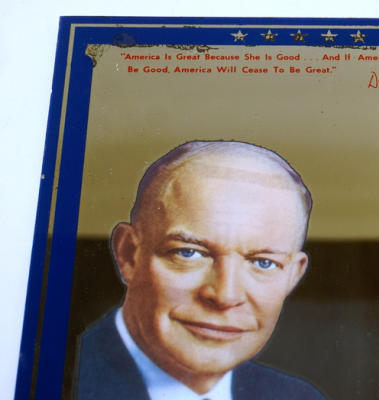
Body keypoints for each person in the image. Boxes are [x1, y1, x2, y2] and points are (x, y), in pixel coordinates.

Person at [76, 141, 326, 399]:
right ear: (129, 255)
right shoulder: (57, 381)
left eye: (263, 262)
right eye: (189, 253)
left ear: (293, 276)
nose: (225, 296)